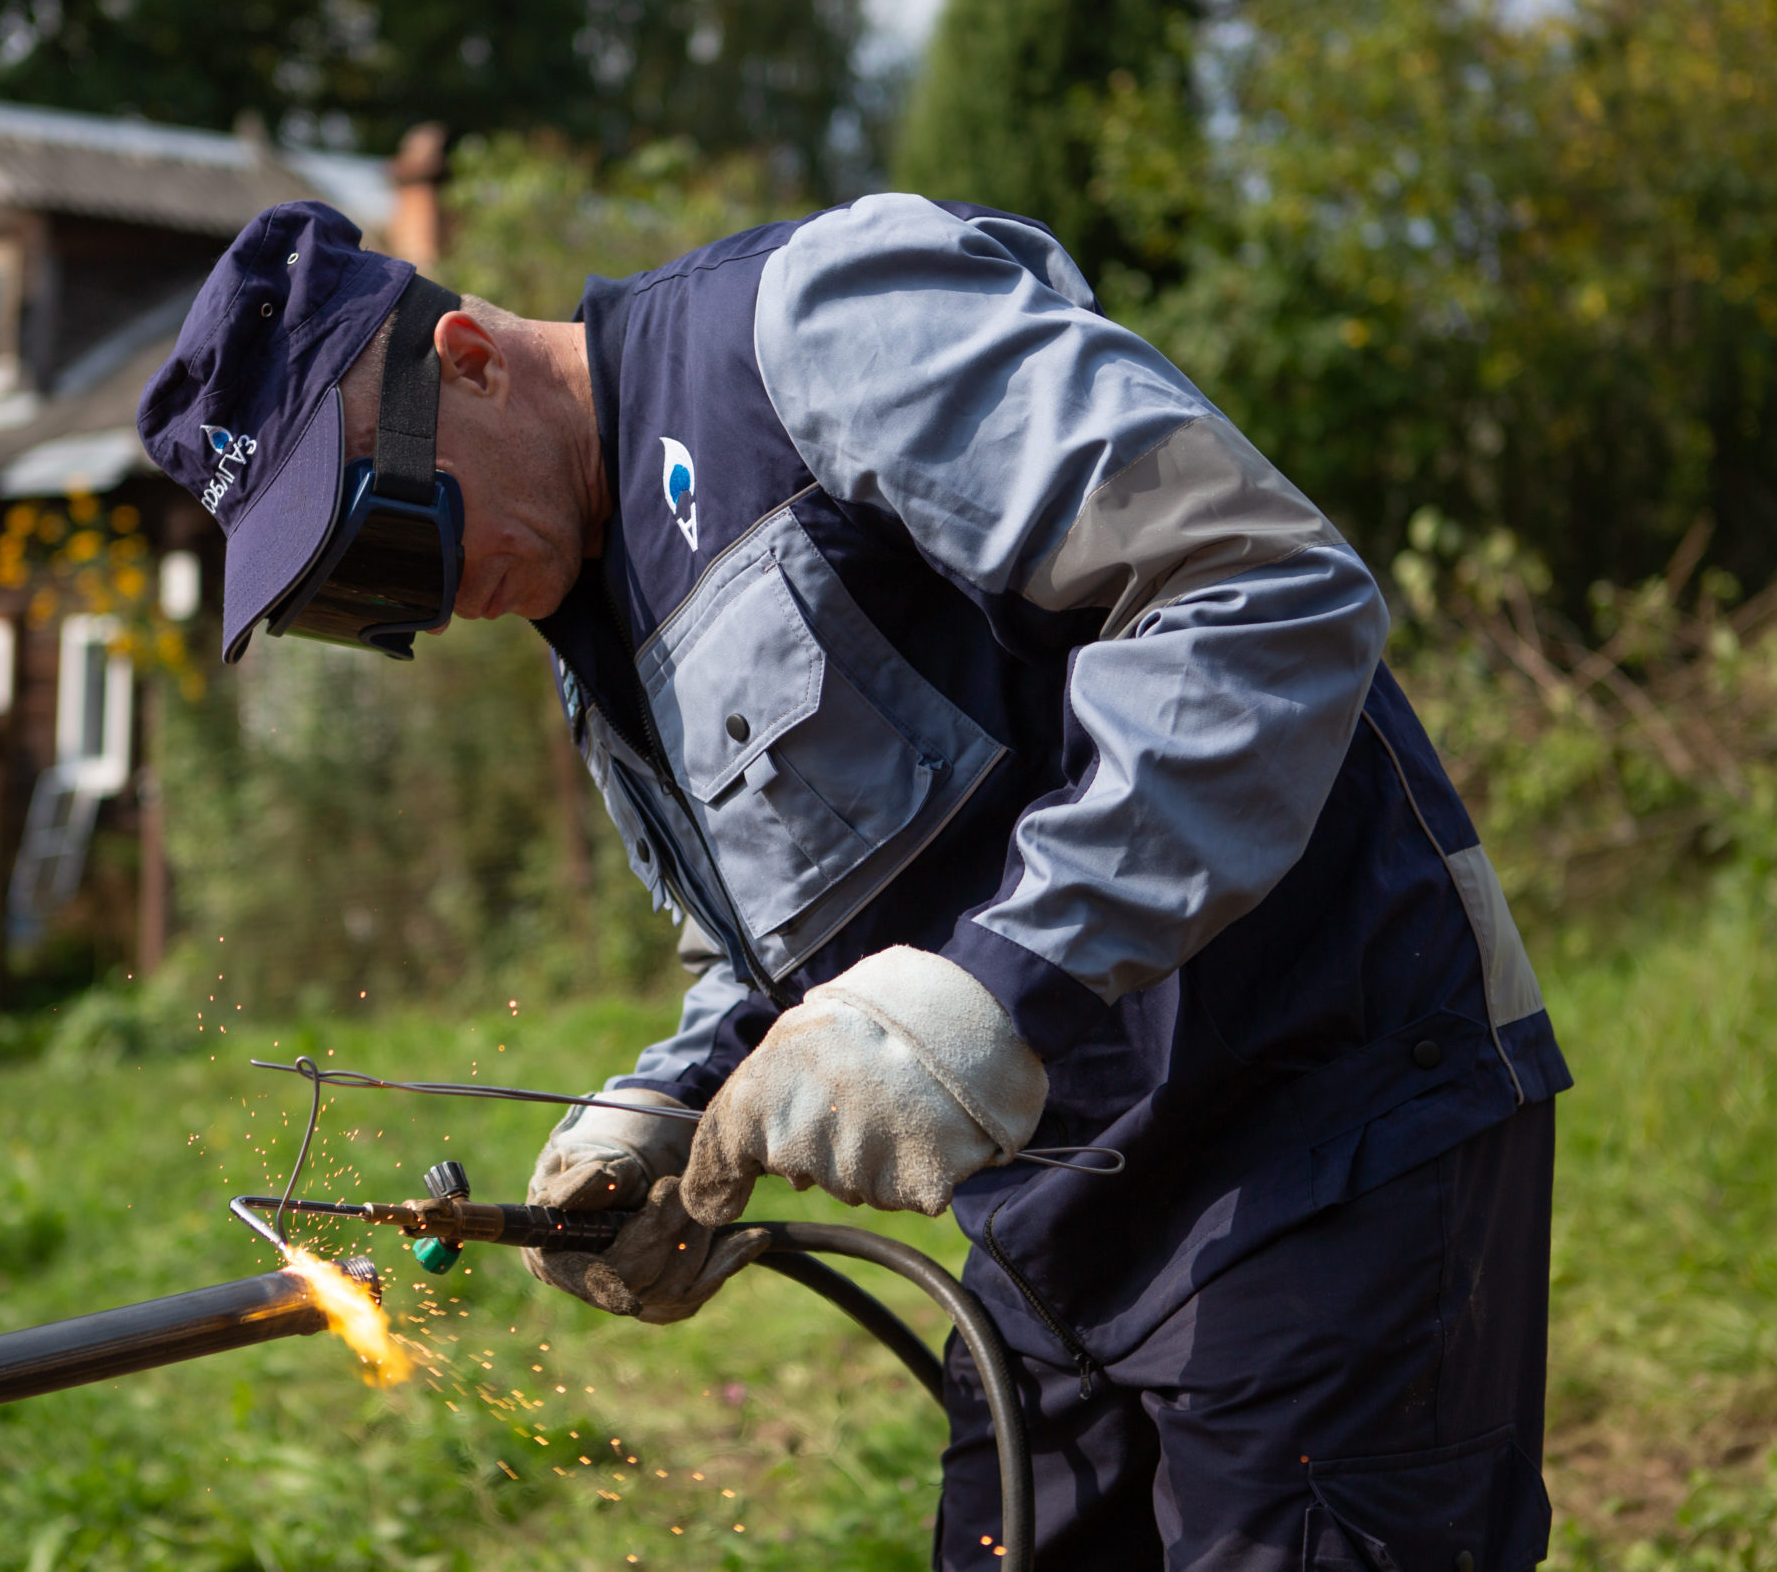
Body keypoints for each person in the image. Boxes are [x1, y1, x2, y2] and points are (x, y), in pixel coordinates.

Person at [138, 196, 1571, 1572]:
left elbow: (1261, 593)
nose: (425, 605)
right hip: (1057, 1225)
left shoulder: (810, 331)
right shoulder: (595, 632)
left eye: (395, 537)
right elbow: (799, 932)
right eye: (358, 606)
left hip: (1322, 1128)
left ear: (466, 362)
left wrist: (1007, 985)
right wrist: (678, 1100)